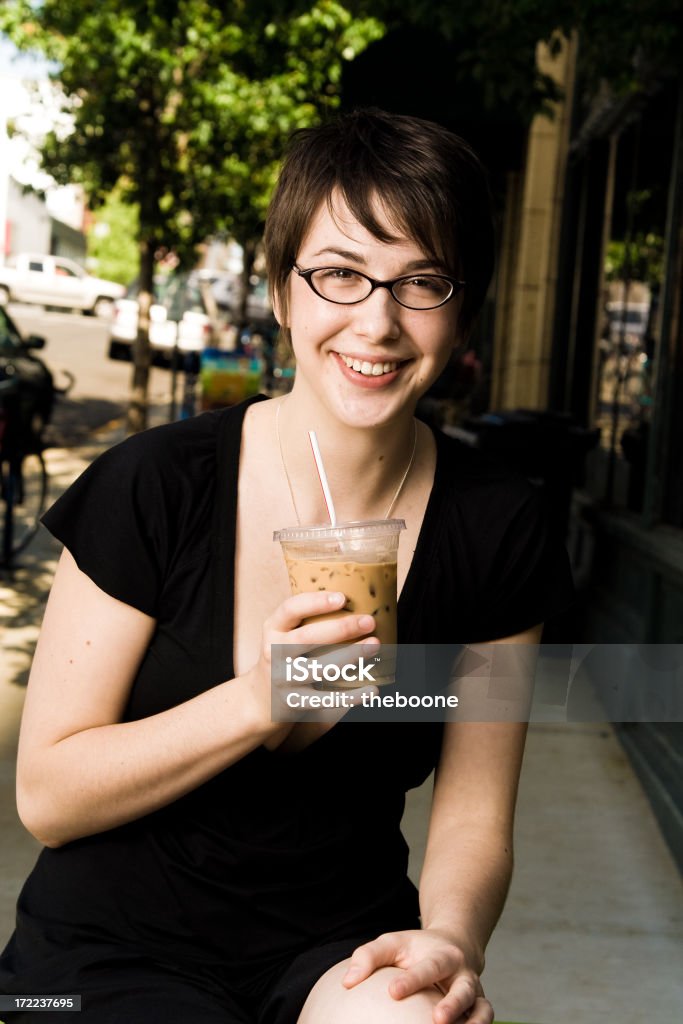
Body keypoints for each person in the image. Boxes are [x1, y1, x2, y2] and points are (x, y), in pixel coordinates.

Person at [0, 109, 573, 1023]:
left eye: (420, 282)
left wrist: (449, 943)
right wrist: (258, 700)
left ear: (463, 308)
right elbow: (48, 797)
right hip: (107, 951)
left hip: (334, 943)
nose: (376, 323)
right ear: (280, 289)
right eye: (339, 275)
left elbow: (471, 817)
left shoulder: (497, 523)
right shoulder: (155, 485)